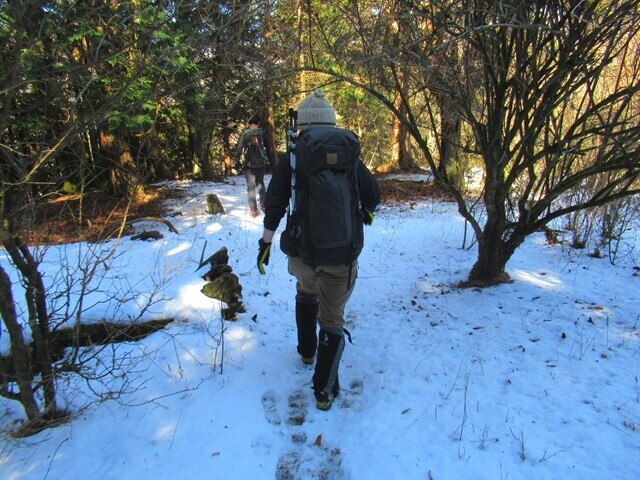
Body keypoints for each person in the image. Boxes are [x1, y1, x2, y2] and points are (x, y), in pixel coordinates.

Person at [256, 89, 380, 411]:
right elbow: (373, 196)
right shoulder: (349, 154)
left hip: (302, 255)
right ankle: (324, 391)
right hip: (342, 255)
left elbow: (275, 204)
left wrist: (266, 244)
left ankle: (307, 350)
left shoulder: (293, 157)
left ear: (302, 124)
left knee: (305, 291)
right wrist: (364, 210)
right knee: (332, 317)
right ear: (331, 122)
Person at [234, 114, 268, 217]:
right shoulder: (262, 133)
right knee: (261, 183)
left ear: (249, 124)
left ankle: (253, 210)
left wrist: (236, 161)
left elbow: (239, 149)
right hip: (261, 164)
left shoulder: (245, 134)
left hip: (249, 165)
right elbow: (268, 148)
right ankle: (263, 204)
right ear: (258, 123)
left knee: (251, 187)